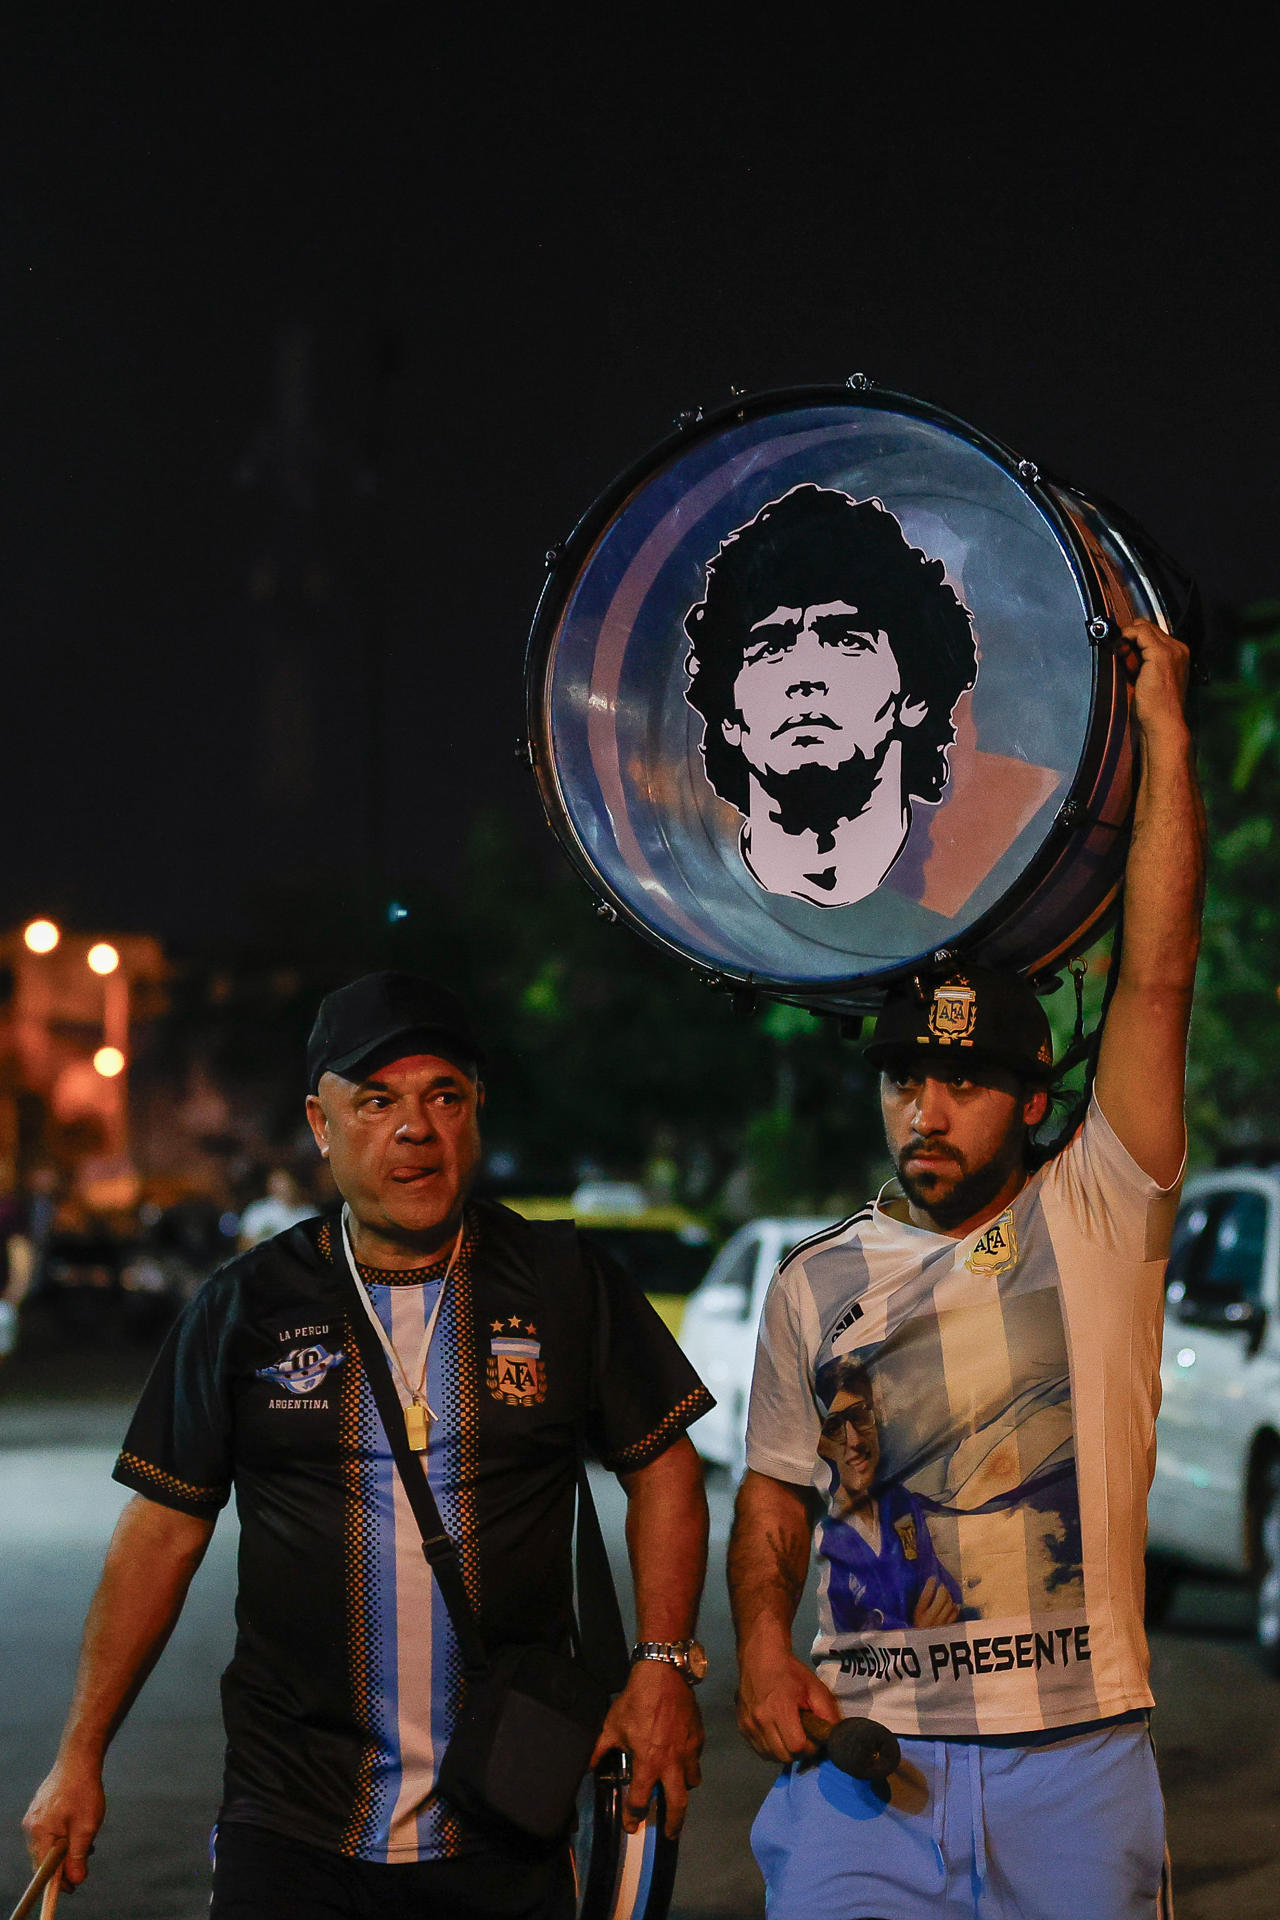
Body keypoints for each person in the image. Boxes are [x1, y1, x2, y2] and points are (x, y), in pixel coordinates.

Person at [23, 971, 714, 1919]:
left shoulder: (564, 1284)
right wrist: (79, 1757)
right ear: (321, 1122)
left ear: (476, 1114)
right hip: (293, 1824)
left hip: (505, 1815)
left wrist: (662, 1664)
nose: (415, 1129)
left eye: (443, 1097)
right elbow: (161, 1534)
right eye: (377, 1101)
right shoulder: (246, 1305)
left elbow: (665, 1465)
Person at [728, 617, 1202, 1919]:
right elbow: (774, 1500)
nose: (927, 1111)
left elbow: (1156, 981)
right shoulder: (813, 1283)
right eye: (905, 1078)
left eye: (966, 1082)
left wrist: (1162, 733)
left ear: (1034, 1097)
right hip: (864, 1774)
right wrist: (763, 1645)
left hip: (1078, 1756)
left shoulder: (1099, 1218)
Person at [683, 483, 977, 908]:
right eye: (769, 648)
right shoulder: (696, 908)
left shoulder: (978, 884)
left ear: (914, 696)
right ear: (728, 715)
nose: (804, 678)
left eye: (846, 640)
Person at [816, 1360, 961, 1635]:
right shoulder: (828, 1539)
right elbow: (848, 1637)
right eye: (834, 1427)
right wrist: (915, 1632)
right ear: (819, 1442)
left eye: (860, 1416)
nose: (855, 1440)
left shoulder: (900, 1504)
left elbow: (943, 1593)